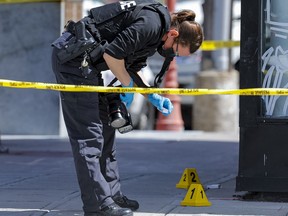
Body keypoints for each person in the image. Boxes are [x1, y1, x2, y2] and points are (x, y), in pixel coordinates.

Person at [51, 1, 203, 216]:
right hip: (72, 61)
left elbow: (133, 66)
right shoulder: (150, 25)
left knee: (107, 130)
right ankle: (98, 205)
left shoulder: (156, 31)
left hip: (88, 64)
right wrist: (127, 85)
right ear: (173, 34)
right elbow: (112, 55)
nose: (172, 55)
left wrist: (152, 95)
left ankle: (112, 196)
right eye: (176, 51)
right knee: (90, 138)